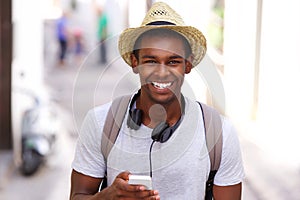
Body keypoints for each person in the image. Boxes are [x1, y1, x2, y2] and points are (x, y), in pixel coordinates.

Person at [70, 2, 244, 200]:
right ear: (135, 63)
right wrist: (108, 197)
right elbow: (78, 195)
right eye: (151, 60)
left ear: (187, 65)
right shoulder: (100, 123)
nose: (162, 72)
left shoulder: (219, 133)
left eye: (173, 61)